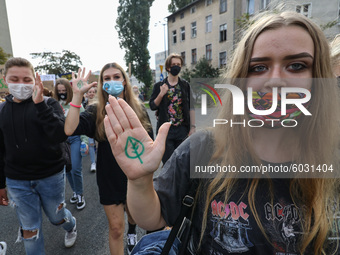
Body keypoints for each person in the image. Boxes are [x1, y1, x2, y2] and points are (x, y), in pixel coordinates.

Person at [104, 11, 340, 255]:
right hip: (170, 134)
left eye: (297, 65)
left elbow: (190, 105)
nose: (276, 80)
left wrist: (192, 125)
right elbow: (153, 218)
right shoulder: (203, 149)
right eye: (259, 67)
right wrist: (140, 180)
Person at [64, 63, 154, 255]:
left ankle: (132, 231)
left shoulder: (138, 109)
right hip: (109, 177)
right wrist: (77, 96)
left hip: (135, 177)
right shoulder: (96, 110)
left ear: (124, 80)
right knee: (115, 229)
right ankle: (126, 233)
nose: (112, 81)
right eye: (106, 78)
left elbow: (150, 145)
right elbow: (70, 129)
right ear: (101, 83)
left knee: (133, 215)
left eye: (116, 76)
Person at [0, 57, 77, 254]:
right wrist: (1, 184)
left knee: (57, 217)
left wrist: (40, 104)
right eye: (14, 79)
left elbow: (60, 134)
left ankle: (71, 225)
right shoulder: (1, 110)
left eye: (27, 80)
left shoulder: (49, 104)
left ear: (35, 80)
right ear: (4, 79)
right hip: (17, 181)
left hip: (50, 175)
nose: (21, 84)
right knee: (30, 230)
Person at [149, 53, 196, 164]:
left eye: (178, 64)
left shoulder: (185, 85)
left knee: (183, 161)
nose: (176, 67)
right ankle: (168, 181)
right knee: (168, 162)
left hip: (182, 129)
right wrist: (161, 94)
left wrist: (193, 127)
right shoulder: (159, 85)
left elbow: (191, 107)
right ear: (168, 67)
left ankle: (181, 182)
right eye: (173, 64)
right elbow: (152, 106)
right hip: (166, 130)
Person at [53, 78, 88, 210]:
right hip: (61, 141)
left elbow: (84, 123)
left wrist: (84, 142)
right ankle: (74, 191)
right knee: (67, 168)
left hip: (75, 138)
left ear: (69, 90)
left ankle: (80, 194)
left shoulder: (76, 103)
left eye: (64, 90)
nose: (62, 93)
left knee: (76, 168)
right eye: (59, 91)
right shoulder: (54, 104)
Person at [82, 87, 98, 172]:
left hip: (98, 128)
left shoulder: (99, 103)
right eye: (90, 92)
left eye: (93, 92)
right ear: (87, 94)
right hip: (89, 129)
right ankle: (93, 163)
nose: (91, 93)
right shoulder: (84, 104)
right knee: (91, 145)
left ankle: (99, 161)